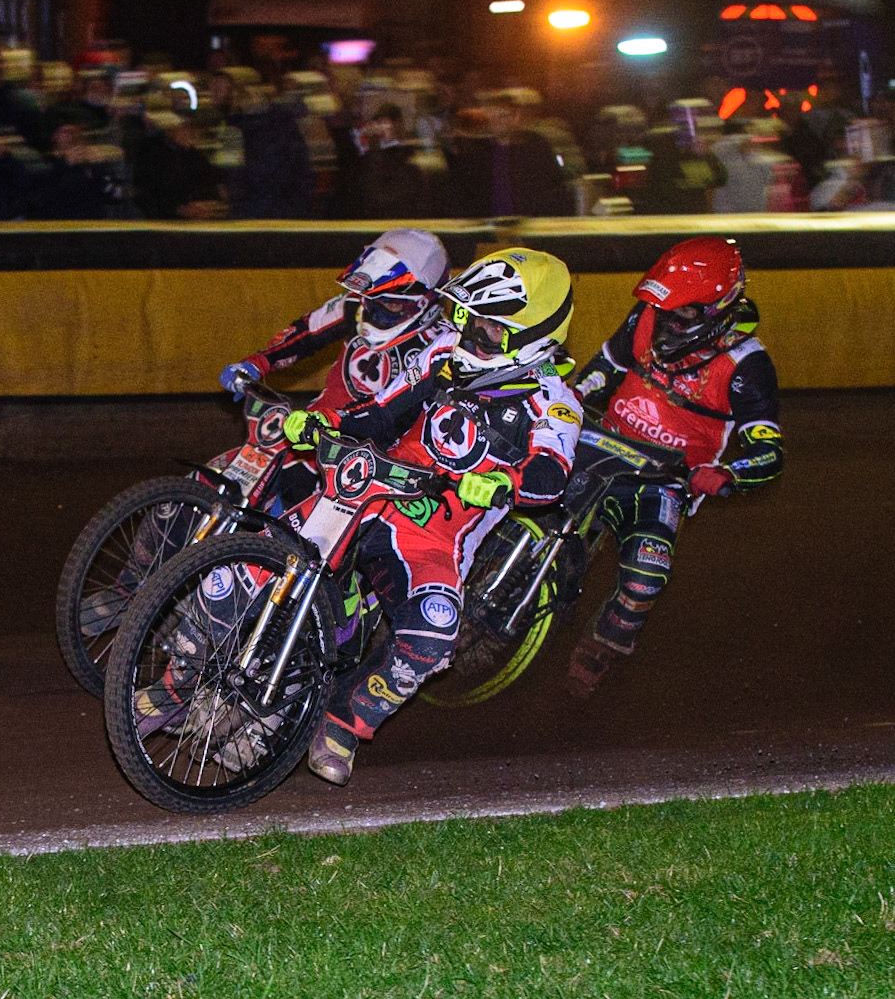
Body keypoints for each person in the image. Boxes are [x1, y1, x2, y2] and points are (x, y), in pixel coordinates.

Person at [276, 248, 582, 784]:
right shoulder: (444, 354)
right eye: (469, 317)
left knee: (435, 633)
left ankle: (344, 724)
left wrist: (504, 482)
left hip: (433, 537)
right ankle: (178, 676)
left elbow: (550, 476)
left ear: (534, 337)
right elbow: (384, 410)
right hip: (367, 493)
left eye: (489, 327)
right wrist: (323, 425)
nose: (470, 333)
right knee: (264, 557)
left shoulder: (554, 403)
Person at [565, 236, 782, 695]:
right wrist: (573, 396)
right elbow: (607, 365)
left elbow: (769, 450)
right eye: (663, 308)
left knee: (646, 577)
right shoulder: (645, 314)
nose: (664, 321)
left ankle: (602, 645)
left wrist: (730, 473)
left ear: (717, 308)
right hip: (600, 441)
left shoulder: (748, 365)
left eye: (681, 313)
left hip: (662, 480)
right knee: (517, 495)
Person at [216, 228, 453, 512]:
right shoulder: (354, 305)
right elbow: (304, 334)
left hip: (372, 457)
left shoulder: (441, 343)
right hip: (308, 431)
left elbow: (410, 412)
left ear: (425, 302)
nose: (377, 311)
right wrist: (258, 362)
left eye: (390, 303)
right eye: (374, 298)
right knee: (241, 480)